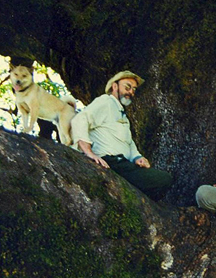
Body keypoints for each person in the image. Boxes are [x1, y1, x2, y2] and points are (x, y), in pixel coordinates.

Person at [71, 70, 173, 200]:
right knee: (164, 179)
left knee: (161, 181)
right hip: (111, 163)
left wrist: (138, 158)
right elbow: (80, 120)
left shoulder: (122, 115)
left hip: (124, 165)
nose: (131, 92)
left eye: (134, 89)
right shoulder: (106, 102)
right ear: (115, 86)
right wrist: (88, 152)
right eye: (127, 87)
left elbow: (129, 144)